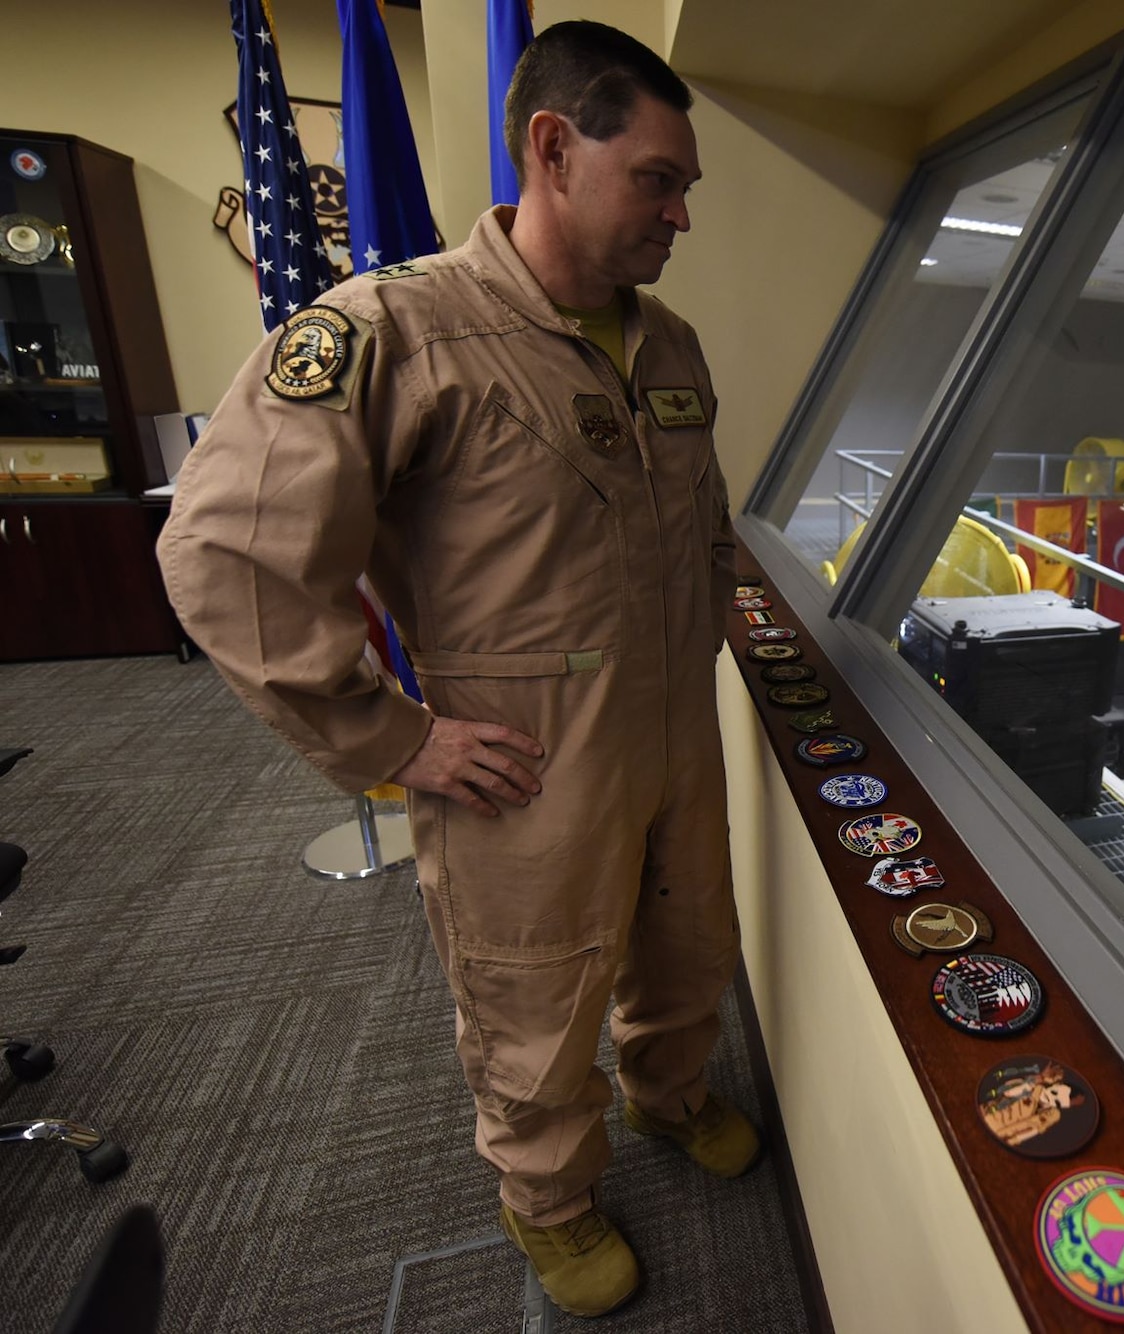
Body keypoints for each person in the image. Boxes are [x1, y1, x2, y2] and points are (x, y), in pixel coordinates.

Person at [158, 21, 751, 1318]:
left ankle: (669, 1091)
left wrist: (731, 622)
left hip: (674, 728)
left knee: (687, 933)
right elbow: (226, 555)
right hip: (519, 756)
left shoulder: (672, 346)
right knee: (537, 985)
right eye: (659, 178)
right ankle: (546, 1196)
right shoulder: (397, 332)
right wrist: (389, 740)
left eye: (685, 186)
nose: (681, 213)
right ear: (552, 147)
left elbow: (706, 523)